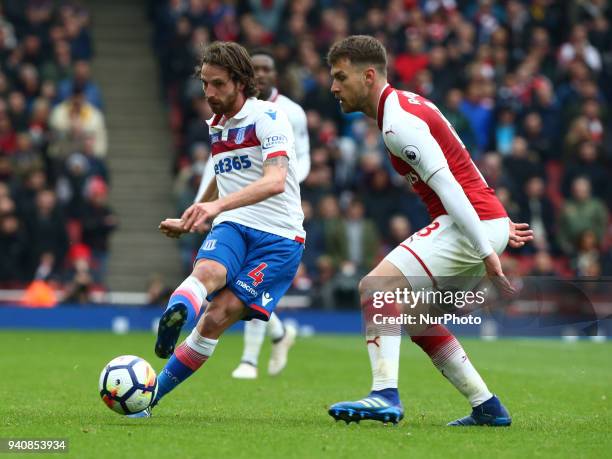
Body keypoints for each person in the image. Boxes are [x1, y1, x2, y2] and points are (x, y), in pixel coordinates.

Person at [325, 35, 533, 426]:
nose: (333, 87)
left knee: (375, 287)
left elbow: (450, 186)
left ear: (368, 76)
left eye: (341, 77)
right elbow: (463, 165)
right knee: (418, 317)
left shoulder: (397, 123)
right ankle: (487, 406)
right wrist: (496, 221)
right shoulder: (408, 104)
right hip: (483, 220)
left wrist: (488, 249)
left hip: (471, 225)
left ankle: (384, 394)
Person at [134, 41, 305, 417]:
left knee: (216, 317)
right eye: (205, 84)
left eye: (218, 84)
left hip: (279, 239)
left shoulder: (269, 117)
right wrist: (195, 212)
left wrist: (214, 207)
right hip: (235, 224)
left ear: (241, 82)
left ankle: (151, 395)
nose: (209, 93)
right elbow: (222, 173)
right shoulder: (216, 124)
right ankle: (173, 318)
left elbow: (276, 180)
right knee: (207, 272)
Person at [193, 48, 311, 380]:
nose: (260, 73)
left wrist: (284, 184)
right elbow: (220, 166)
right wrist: (202, 206)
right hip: (234, 207)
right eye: (255, 67)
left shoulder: (289, 113)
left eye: (265, 68)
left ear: (273, 74)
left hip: (276, 205)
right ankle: (278, 334)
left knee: (242, 287)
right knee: (229, 285)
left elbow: (301, 159)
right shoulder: (223, 114)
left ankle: (248, 359)